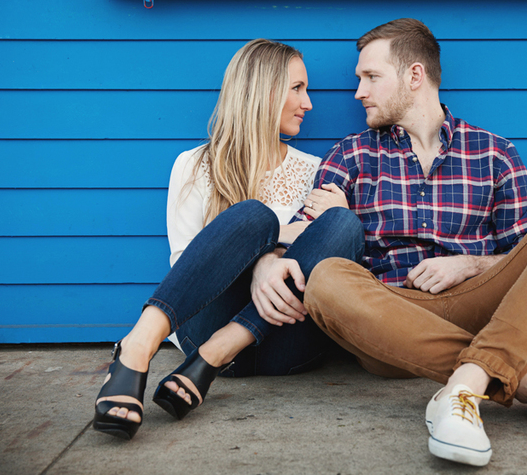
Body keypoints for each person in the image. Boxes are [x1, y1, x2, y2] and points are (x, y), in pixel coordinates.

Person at [298, 19, 527, 467]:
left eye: (371, 77)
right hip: (390, 314)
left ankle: (462, 389)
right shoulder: (350, 155)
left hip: (482, 306)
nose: (358, 93)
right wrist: (272, 257)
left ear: (414, 76)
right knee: (326, 278)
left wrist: (470, 264)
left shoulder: (495, 153)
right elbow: (308, 239)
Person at [93, 39, 364, 440]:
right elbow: (185, 264)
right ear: (262, 91)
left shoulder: (314, 170)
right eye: (297, 88)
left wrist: (278, 252)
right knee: (253, 215)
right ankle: (137, 348)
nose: (308, 103)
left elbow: (322, 255)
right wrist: (267, 256)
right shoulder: (193, 165)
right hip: (204, 324)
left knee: (344, 222)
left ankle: (216, 355)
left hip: (285, 342)